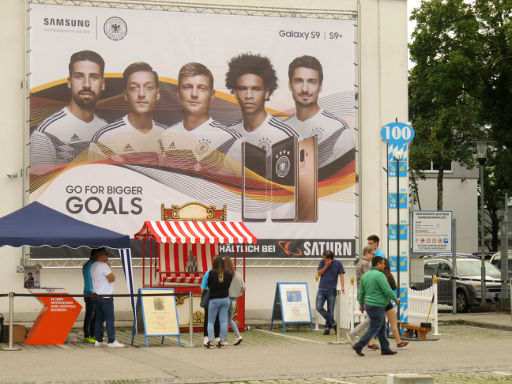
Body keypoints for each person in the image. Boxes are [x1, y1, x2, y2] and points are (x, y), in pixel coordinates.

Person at [30, 50, 107, 174]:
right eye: (79, 76)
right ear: (69, 82)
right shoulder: (47, 132)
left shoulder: (105, 129)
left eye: (93, 77)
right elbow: (39, 190)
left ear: (102, 84)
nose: (86, 84)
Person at [160, 62, 241, 170]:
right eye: (188, 87)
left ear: (212, 95)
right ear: (178, 93)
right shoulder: (165, 135)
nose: (194, 94)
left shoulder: (231, 139)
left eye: (201, 88)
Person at [285, 55, 355, 168]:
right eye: (298, 81)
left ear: (320, 87)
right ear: (290, 85)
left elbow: (344, 180)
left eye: (311, 82)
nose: (305, 89)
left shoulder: (338, 130)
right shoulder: (281, 128)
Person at [89, 62, 166, 162]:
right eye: (134, 88)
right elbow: (93, 176)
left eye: (148, 87)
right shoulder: (105, 137)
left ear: (157, 94)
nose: (141, 94)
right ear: (126, 95)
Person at [225, 53, 299, 154]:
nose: (249, 95)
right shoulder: (228, 134)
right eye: (243, 89)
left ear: (267, 93)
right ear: (235, 93)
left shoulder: (287, 136)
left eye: (256, 89)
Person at [352, 256, 397, 356]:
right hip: (378, 304)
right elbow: (387, 290)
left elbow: (362, 292)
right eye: (383, 263)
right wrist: (395, 299)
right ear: (378, 264)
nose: (384, 266)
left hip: (369, 305)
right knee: (375, 327)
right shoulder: (380, 276)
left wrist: (361, 304)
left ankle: (385, 348)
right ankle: (359, 345)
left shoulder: (365, 276)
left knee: (381, 327)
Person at [90, 247, 124, 348]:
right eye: (106, 254)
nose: (107, 256)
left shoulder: (93, 265)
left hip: (97, 295)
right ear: (101, 255)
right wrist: (108, 268)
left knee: (99, 318)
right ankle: (111, 341)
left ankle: (99, 340)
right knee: (109, 318)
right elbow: (112, 278)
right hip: (106, 296)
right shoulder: (103, 266)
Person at [346, 245, 375, 346]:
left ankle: (370, 342)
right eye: (373, 254)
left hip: (362, 293)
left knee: (371, 318)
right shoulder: (366, 264)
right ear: (367, 253)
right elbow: (368, 279)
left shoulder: (359, 263)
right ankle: (353, 333)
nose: (373, 256)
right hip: (367, 294)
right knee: (372, 318)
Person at [315, 249, 345, 335]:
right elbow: (319, 273)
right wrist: (326, 266)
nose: (323, 258)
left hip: (332, 289)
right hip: (322, 288)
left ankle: (327, 328)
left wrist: (342, 286)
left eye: (324, 258)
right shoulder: (322, 262)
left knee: (330, 311)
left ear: (329, 258)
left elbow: (341, 275)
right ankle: (334, 324)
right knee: (318, 307)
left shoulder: (338, 263)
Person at [206, 256, 232, 348]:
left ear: (214, 263)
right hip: (225, 299)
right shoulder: (228, 273)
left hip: (214, 299)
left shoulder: (211, 273)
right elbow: (228, 285)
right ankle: (222, 341)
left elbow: (209, 285)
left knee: (211, 322)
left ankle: (210, 341)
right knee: (223, 321)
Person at [382, 257, 408, 348]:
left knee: (373, 324)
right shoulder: (388, 275)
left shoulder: (376, 275)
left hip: (377, 302)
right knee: (393, 323)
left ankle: (370, 343)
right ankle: (398, 341)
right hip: (387, 302)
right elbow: (393, 287)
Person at [224, 256, 245, 346]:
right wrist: (238, 293)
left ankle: (225, 339)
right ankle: (238, 335)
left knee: (223, 320)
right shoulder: (238, 274)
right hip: (233, 300)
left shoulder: (224, 274)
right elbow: (243, 288)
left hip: (225, 299)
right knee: (229, 319)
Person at [200, 268, 220, 347]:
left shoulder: (208, 272)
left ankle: (206, 337)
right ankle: (217, 337)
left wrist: (205, 295)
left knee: (208, 319)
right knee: (217, 318)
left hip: (209, 297)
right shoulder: (222, 272)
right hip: (219, 297)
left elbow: (203, 286)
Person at [82, 250, 97, 343]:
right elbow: (88, 280)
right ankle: (87, 335)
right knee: (90, 315)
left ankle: (93, 334)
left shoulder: (94, 264)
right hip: (90, 294)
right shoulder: (89, 265)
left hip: (94, 293)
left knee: (95, 315)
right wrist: (91, 291)